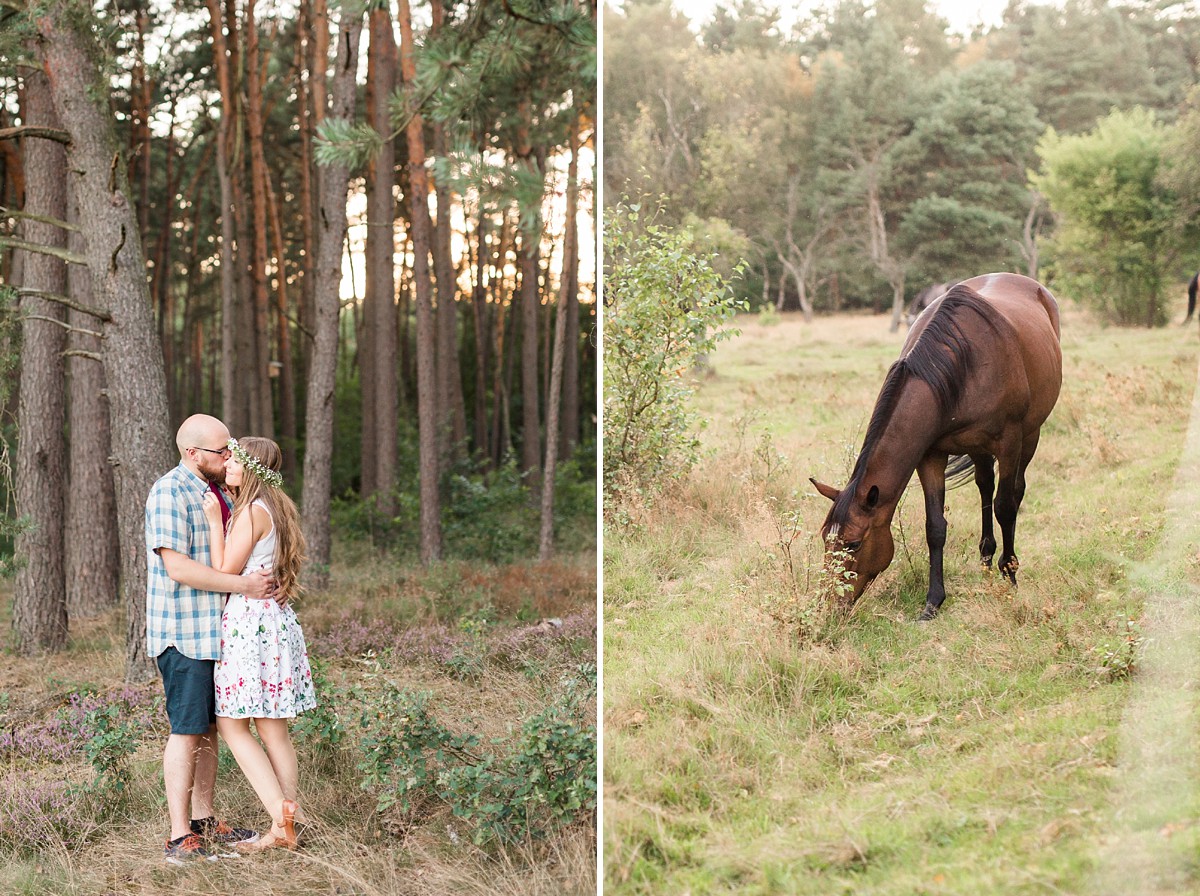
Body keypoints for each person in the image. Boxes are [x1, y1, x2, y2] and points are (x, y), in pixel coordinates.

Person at [145, 414, 274, 865]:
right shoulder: (169, 491)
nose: (229, 456)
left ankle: (203, 821)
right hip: (184, 632)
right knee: (186, 731)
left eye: (230, 448)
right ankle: (179, 836)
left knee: (210, 731)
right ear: (192, 453)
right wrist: (245, 586)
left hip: (220, 635)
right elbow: (177, 567)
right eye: (222, 451)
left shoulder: (220, 490)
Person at [202, 436, 316, 851]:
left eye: (234, 460)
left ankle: (280, 818)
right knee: (273, 729)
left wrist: (214, 522)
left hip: (249, 626)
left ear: (251, 468)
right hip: (273, 622)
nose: (227, 465)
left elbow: (224, 569)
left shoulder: (250, 511)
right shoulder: (275, 507)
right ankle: (290, 820)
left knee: (232, 724)